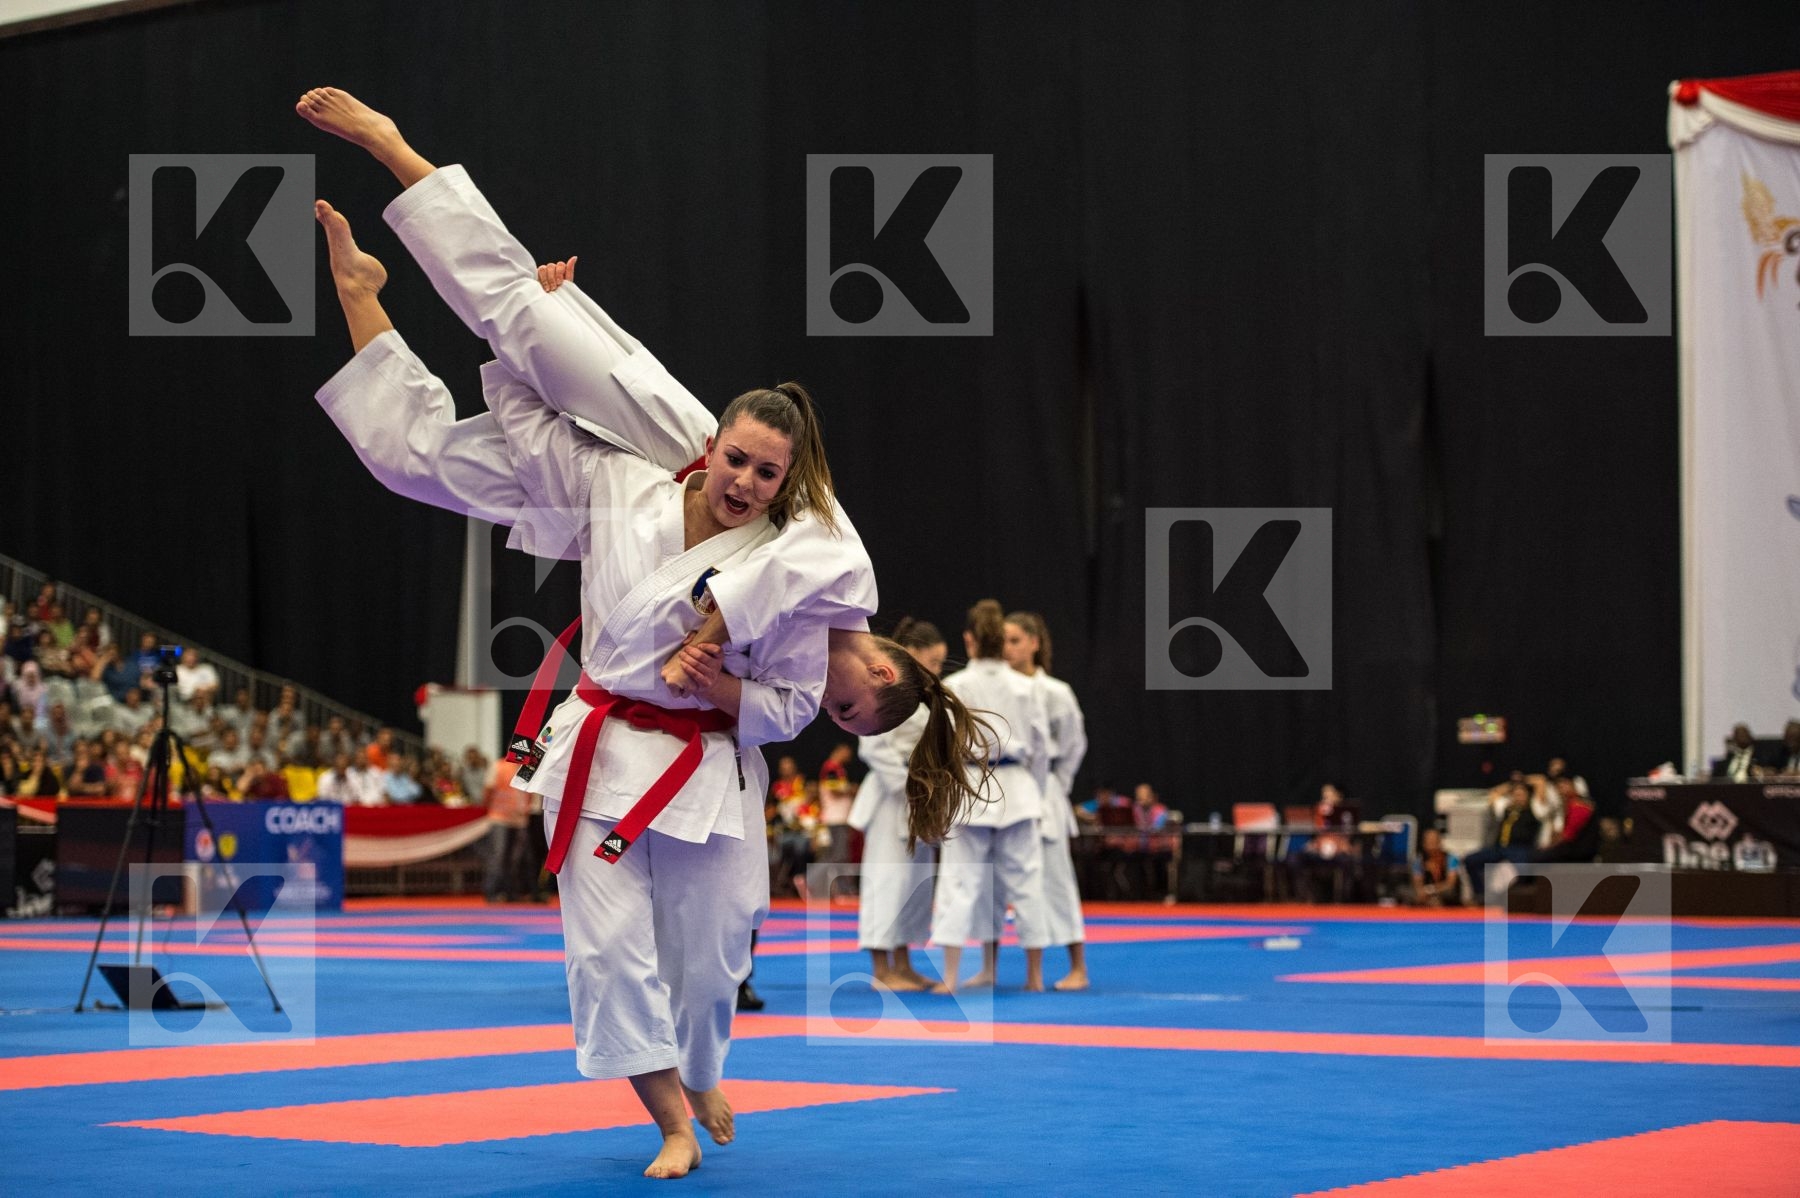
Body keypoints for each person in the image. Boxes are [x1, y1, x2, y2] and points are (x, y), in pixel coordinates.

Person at [299, 84, 993, 1181]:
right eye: (861, 700)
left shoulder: (799, 580)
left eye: (846, 714)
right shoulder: (815, 525)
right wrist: (554, 325)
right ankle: (396, 153)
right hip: (656, 450)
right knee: (519, 314)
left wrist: (715, 651)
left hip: (678, 718)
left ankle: (699, 1068)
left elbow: (773, 683)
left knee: (418, 457)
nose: (841, 704)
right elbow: (750, 535)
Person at [931, 600, 1044, 993]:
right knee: (1027, 882)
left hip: (973, 787)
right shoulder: (1028, 687)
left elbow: (944, 747)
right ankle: (1035, 977)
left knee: (957, 883)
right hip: (1018, 786)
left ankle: (949, 976)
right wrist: (1039, 792)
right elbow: (1042, 746)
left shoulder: (955, 685)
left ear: (970, 640)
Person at [850, 617, 947, 990]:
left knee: (915, 884)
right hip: (893, 798)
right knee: (887, 881)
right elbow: (870, 745)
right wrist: (907, 786)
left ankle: (903, 962)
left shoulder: (920, 695)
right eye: (934, 662)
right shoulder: (886, 685)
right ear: (914, 654)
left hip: (920, 797)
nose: (937, 670)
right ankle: (881, 969)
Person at [1003, 610, 1091, 990]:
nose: (1008, 648)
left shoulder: (1056, 692)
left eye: (1016, 640)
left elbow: (1074, 745)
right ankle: (1015, 970)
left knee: (1057, 880)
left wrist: (1058, 785)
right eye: (1004, 641)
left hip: (1047, 789)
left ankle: (1078, 967)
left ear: (1034, 643)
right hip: (1008, 788)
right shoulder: (998, 688)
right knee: (1012, 883)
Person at [1462, 778, 1541, 901]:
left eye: (1521, 794)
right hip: (1500, 848)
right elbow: (1494, 794)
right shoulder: (1506, 809)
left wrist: (1523, 780)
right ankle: (1481, 894)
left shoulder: (1535, 809)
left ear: (1528, 796)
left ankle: (1517, 901)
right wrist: (1511, 785)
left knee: (1524, 870)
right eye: (1515, 794)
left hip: (1520, 849)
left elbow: (1540, 782)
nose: (1518, 797)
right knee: (1470, 860)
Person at [1411, 826, 1461, 906]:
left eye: (1434, 841)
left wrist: (1431, 890)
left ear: (1439, 842)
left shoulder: (1450, 858)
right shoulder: (1419, 860)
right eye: (1429, 842)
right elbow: (1417, 881)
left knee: (1449, 894)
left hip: (1442, 893)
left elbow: (1450, 883)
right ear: (1424, 843)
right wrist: (1421, 892)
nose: (1432, 845)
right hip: (1426, 894)